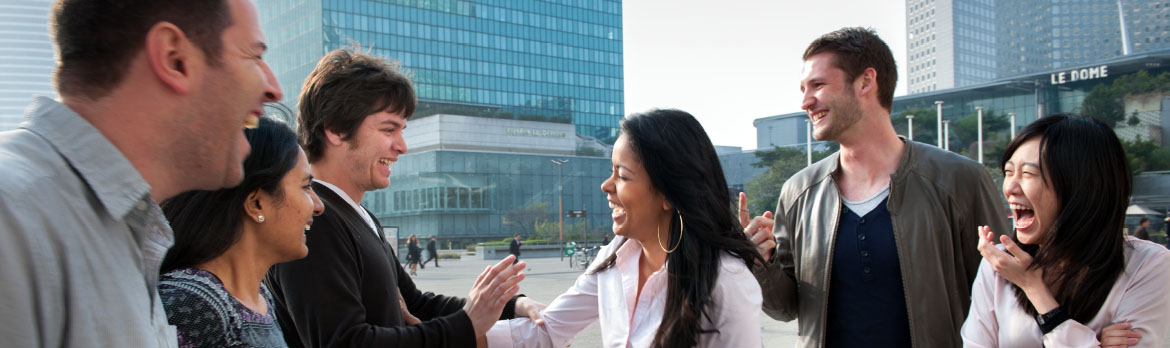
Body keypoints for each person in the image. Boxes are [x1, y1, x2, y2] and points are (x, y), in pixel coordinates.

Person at [0, 0, 282, 346]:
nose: (274, 88)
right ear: (174, 58)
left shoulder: (125, 232)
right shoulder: (12, 218)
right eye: (253, 56)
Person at [741, 27, 1010, 347]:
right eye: (803, 88)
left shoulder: (959, 180)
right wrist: (759, 261)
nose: (805, 102)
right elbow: (786, 309)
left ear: (866, 81)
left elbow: (1004, 300)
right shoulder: (798, 193)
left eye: (818, 85)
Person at [264, 48, 540, 348]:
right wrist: (468, 324)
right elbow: (345, 342)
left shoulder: (356, 214)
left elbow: (415, 303)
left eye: (402, 130)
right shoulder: (314, 219)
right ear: (336, 129)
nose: (402, 146)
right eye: (388, 129)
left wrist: (509, 306)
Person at [486, 109, 765, 347]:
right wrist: (454, 330)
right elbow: (546, 331)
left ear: (669, 194)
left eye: (622, 175)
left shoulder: (727, 281)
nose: (606, 186)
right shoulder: (614, 259)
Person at [962, 114, 1170, 347]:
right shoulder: (999, 266)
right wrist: (1092, 342)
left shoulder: (1147, 264)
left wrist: (1033, 287)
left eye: (1028, 174)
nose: (1009, 188)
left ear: (1081, 188)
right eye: (1009, 172)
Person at [158, 116, 324, 347]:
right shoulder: (191, 304)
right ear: (256, 204)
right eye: (306, 187)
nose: (318, 206)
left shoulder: (259, 298)